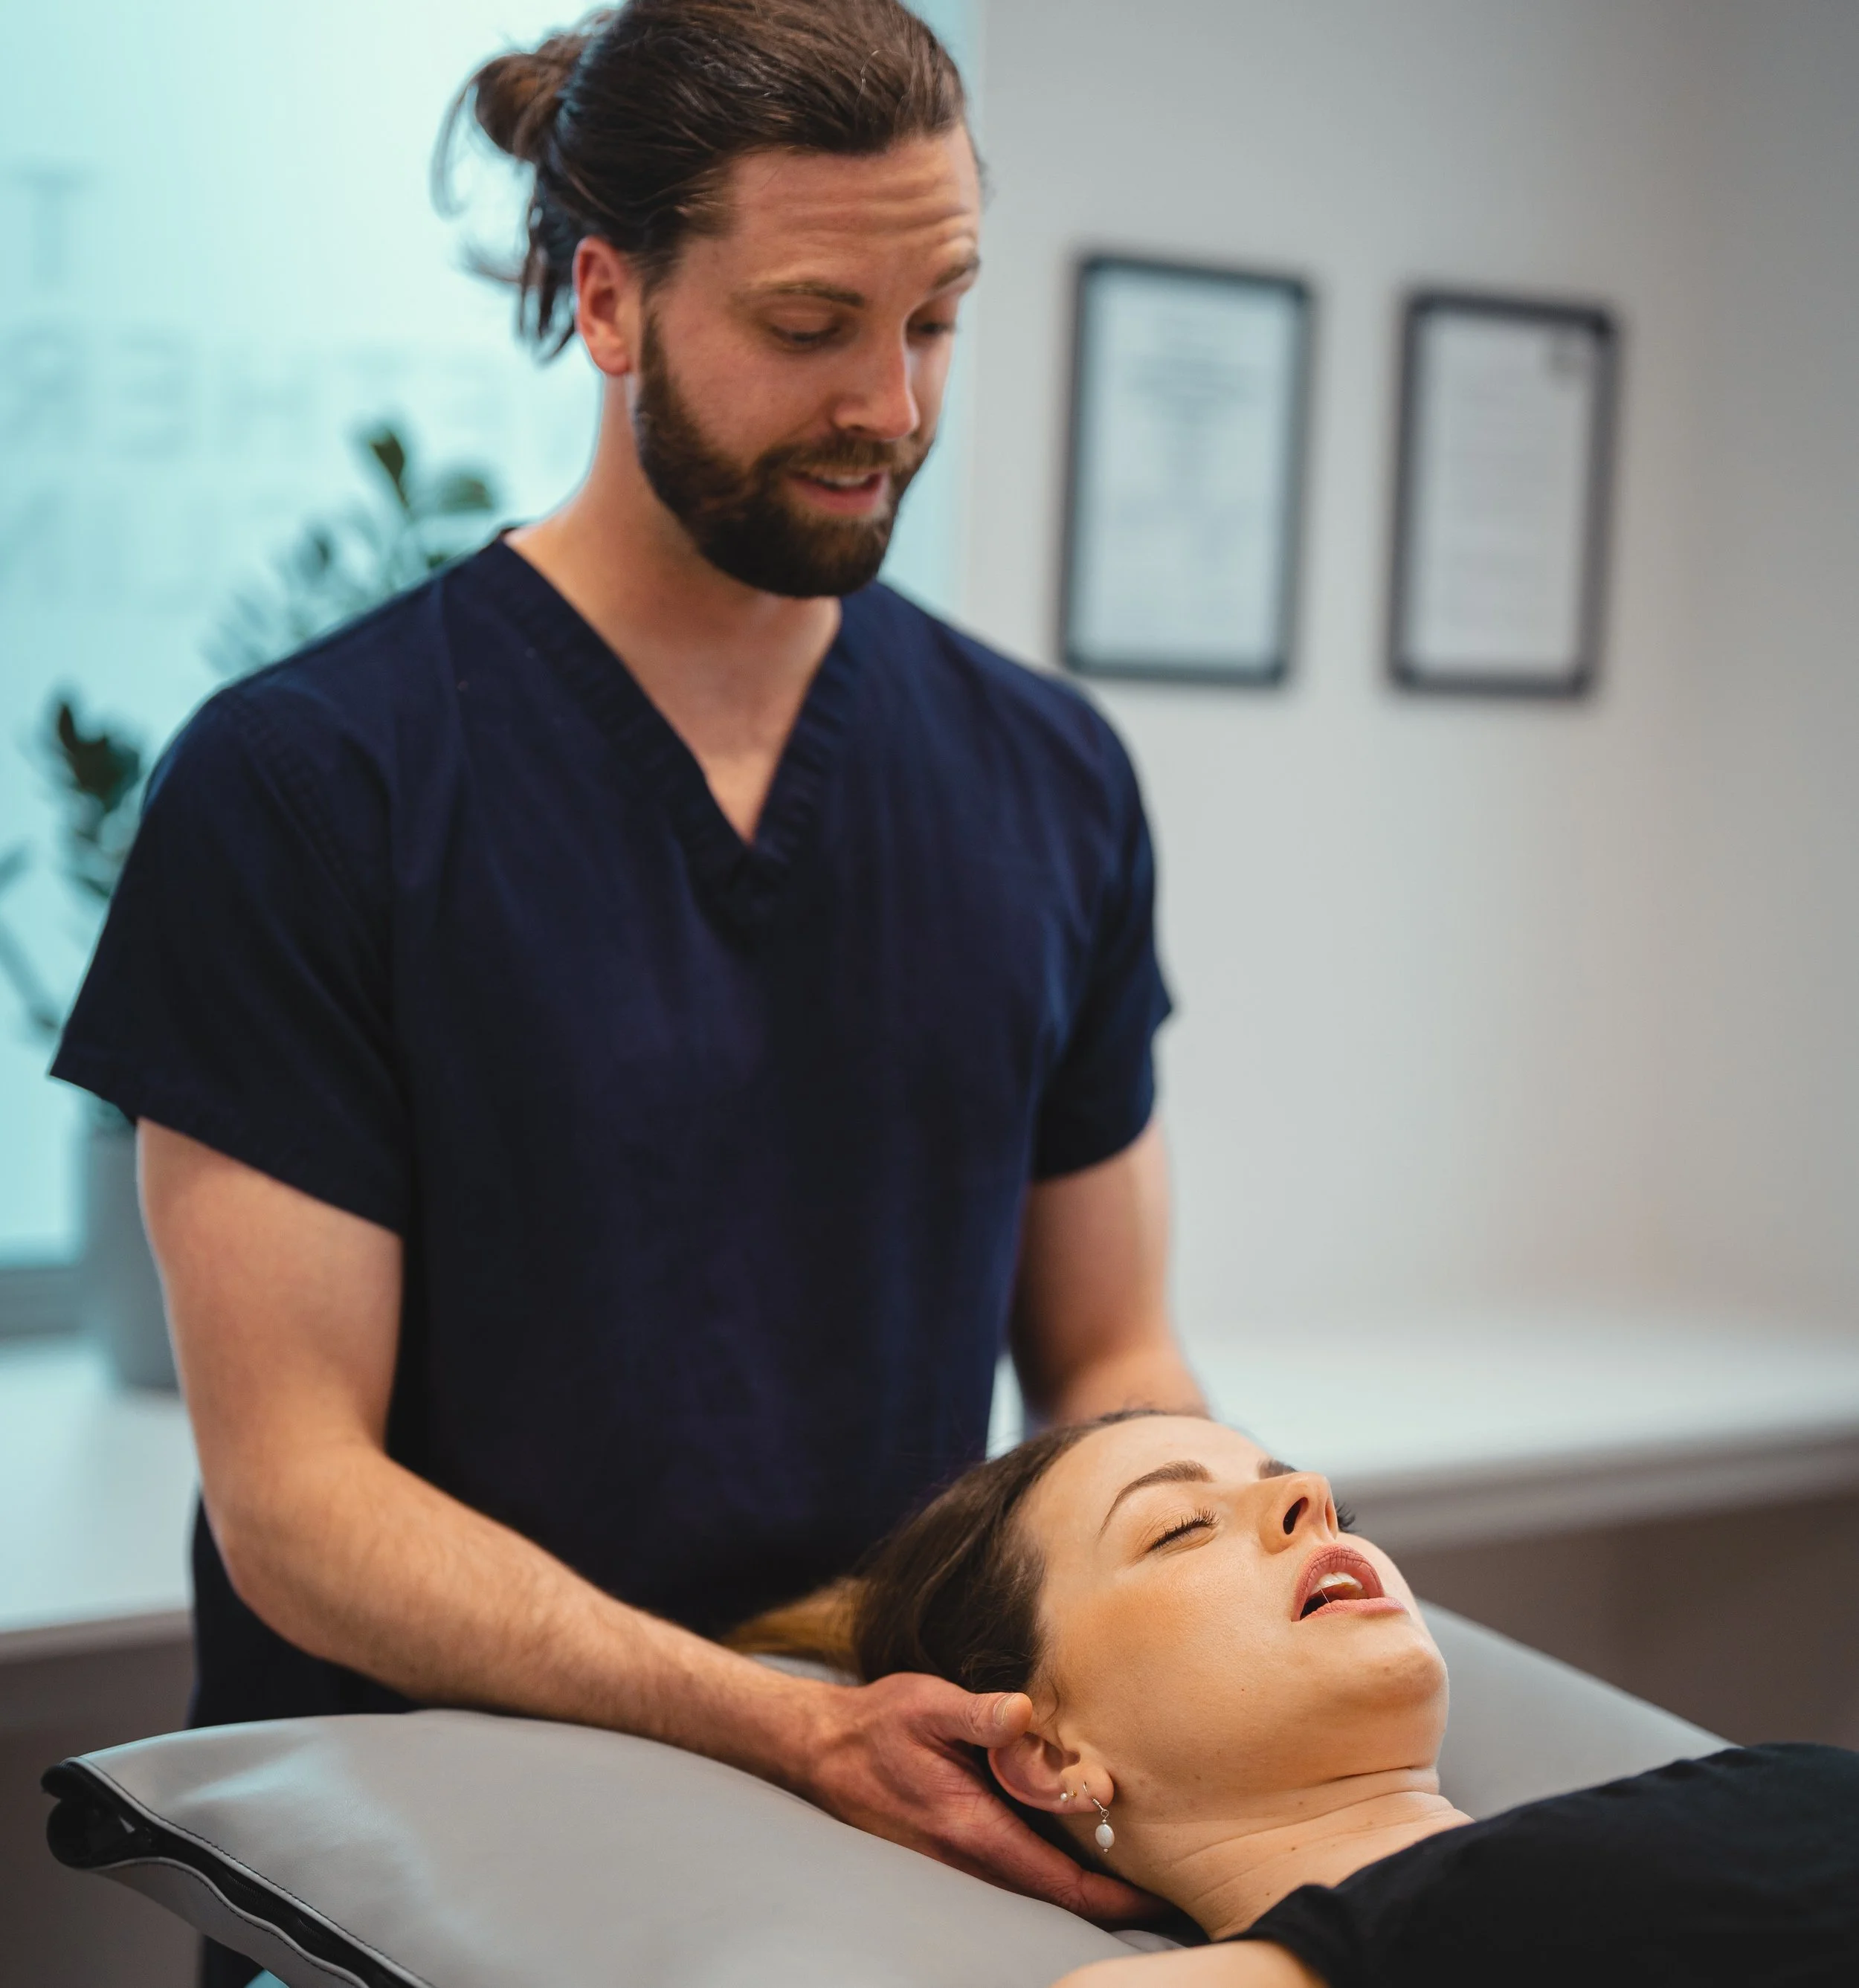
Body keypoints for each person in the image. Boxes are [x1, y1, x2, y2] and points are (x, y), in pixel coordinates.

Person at [49, 4, 1202, 1981]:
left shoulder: (1047, 778)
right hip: (422, 1878)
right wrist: (782, 1722)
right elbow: (299, 1503)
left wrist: (1223, 1571)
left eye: (934, 319)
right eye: (809, 322)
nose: (891, 403)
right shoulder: (312, 787)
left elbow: (1106, 1359)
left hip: (867, 1881)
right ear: (607, 297)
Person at [732, 1410, 1859, 1986]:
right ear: (1051, 1751)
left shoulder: (1750, 1797)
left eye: (1305, 1494)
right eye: (1178, 1526)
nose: (1312, 1499)